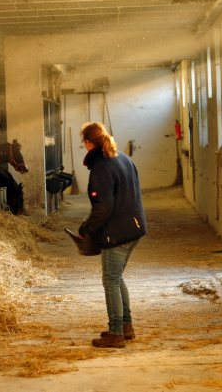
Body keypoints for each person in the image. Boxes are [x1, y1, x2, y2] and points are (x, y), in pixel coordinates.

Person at [78, 122, 147, 348]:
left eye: (83, 142)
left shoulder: (101, 167)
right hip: (133, 228)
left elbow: (102, 208)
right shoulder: (123, 158)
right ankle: (126, 326)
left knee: (110, 280)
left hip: (116, 233)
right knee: (117, 278)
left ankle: (116, 333)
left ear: (88, 143)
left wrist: (87, 229)